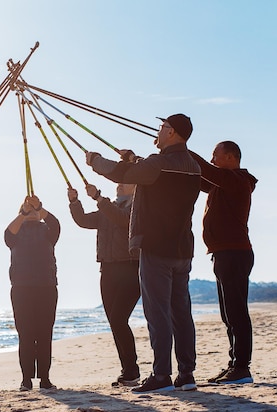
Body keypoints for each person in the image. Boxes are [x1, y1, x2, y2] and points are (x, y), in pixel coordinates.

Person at [85, 113, 201, 393]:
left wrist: (95, 161)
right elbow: (151, 171)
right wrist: (135, 158)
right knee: (180, 312)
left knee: (157, 311)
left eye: (162, 127)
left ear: (172, 132)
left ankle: (161, 375)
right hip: (182, 248)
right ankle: (186, 374)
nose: (158, 131)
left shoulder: (159, 164)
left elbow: (123, 174)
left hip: (156, 247)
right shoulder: (193, 166)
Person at [189, 141, 257, 384]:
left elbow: (206, 170)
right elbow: (196, 176)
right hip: (223, 253)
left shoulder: (237, 180)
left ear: (230, 157)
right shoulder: (222, 183)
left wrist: (181, 147)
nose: (212, 159)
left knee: (236, 312)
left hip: (234, 253)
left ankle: (242, 367)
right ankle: (234, 364)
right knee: (228, 314)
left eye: (215, 155)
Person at [67, 182, 141, 386]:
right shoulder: (107, 209)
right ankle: (128, 371)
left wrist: (99, 198)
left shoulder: (136, 207)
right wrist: (74, 202)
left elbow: (122, 220)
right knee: (115, 321)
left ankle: (132, 370)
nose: (119, 184)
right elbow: (83, 221)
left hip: (130, 269)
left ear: (135, 187)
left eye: (124, 182)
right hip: (107, 270)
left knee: (118, 318)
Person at [4, 195, 60, 392]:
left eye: (35, 210)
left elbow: (55, 223)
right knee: (25, 335)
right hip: (21, 288)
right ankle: (26, 379)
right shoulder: (16, 232)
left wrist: (39, 207)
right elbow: (7, 234)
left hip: (46, 288)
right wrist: (24, 213)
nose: (32, 212)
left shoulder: (47, 231)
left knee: (45, 334)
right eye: (27, 209)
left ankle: (45, 378)